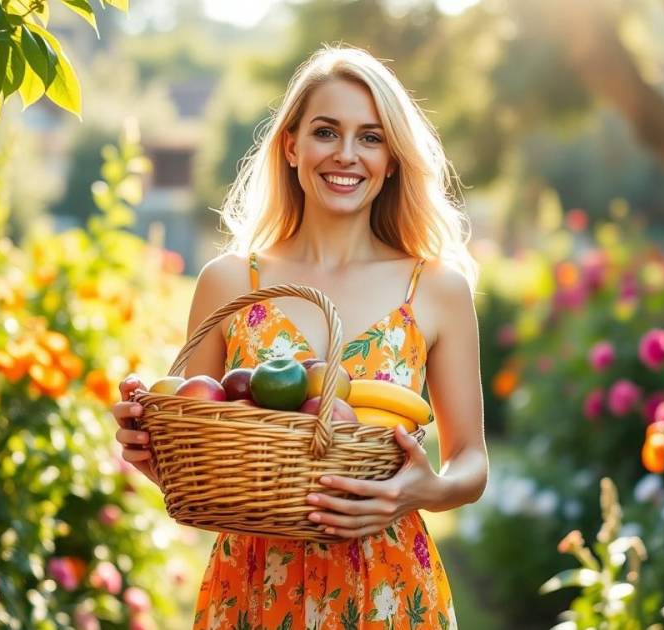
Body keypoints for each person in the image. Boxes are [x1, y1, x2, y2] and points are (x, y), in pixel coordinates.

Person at [112, 45, 487, 629]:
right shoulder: (232, 282)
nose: (346, 154)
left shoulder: (434, 288)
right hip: (254, 584)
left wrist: (417, 492)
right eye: (326, 131)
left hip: (386, 585)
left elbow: (472, 462)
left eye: (370, 137)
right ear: (291, 146)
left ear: (392, 158)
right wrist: (149, 450)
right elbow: (199, 451)